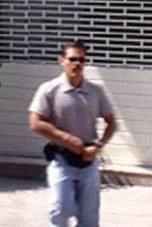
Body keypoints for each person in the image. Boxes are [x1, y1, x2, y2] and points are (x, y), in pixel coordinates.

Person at [30, 41, 116, 227]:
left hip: (88, 160)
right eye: (72, 59)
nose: (77, 64)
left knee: (89, 218)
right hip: (61, 158)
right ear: (62, 60)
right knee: (60, 209)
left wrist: (98, 146)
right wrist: (66, 139)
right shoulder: (49, 90)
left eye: (81, 60)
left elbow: (111, 123)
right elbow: (35, 123)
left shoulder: (95, 91)